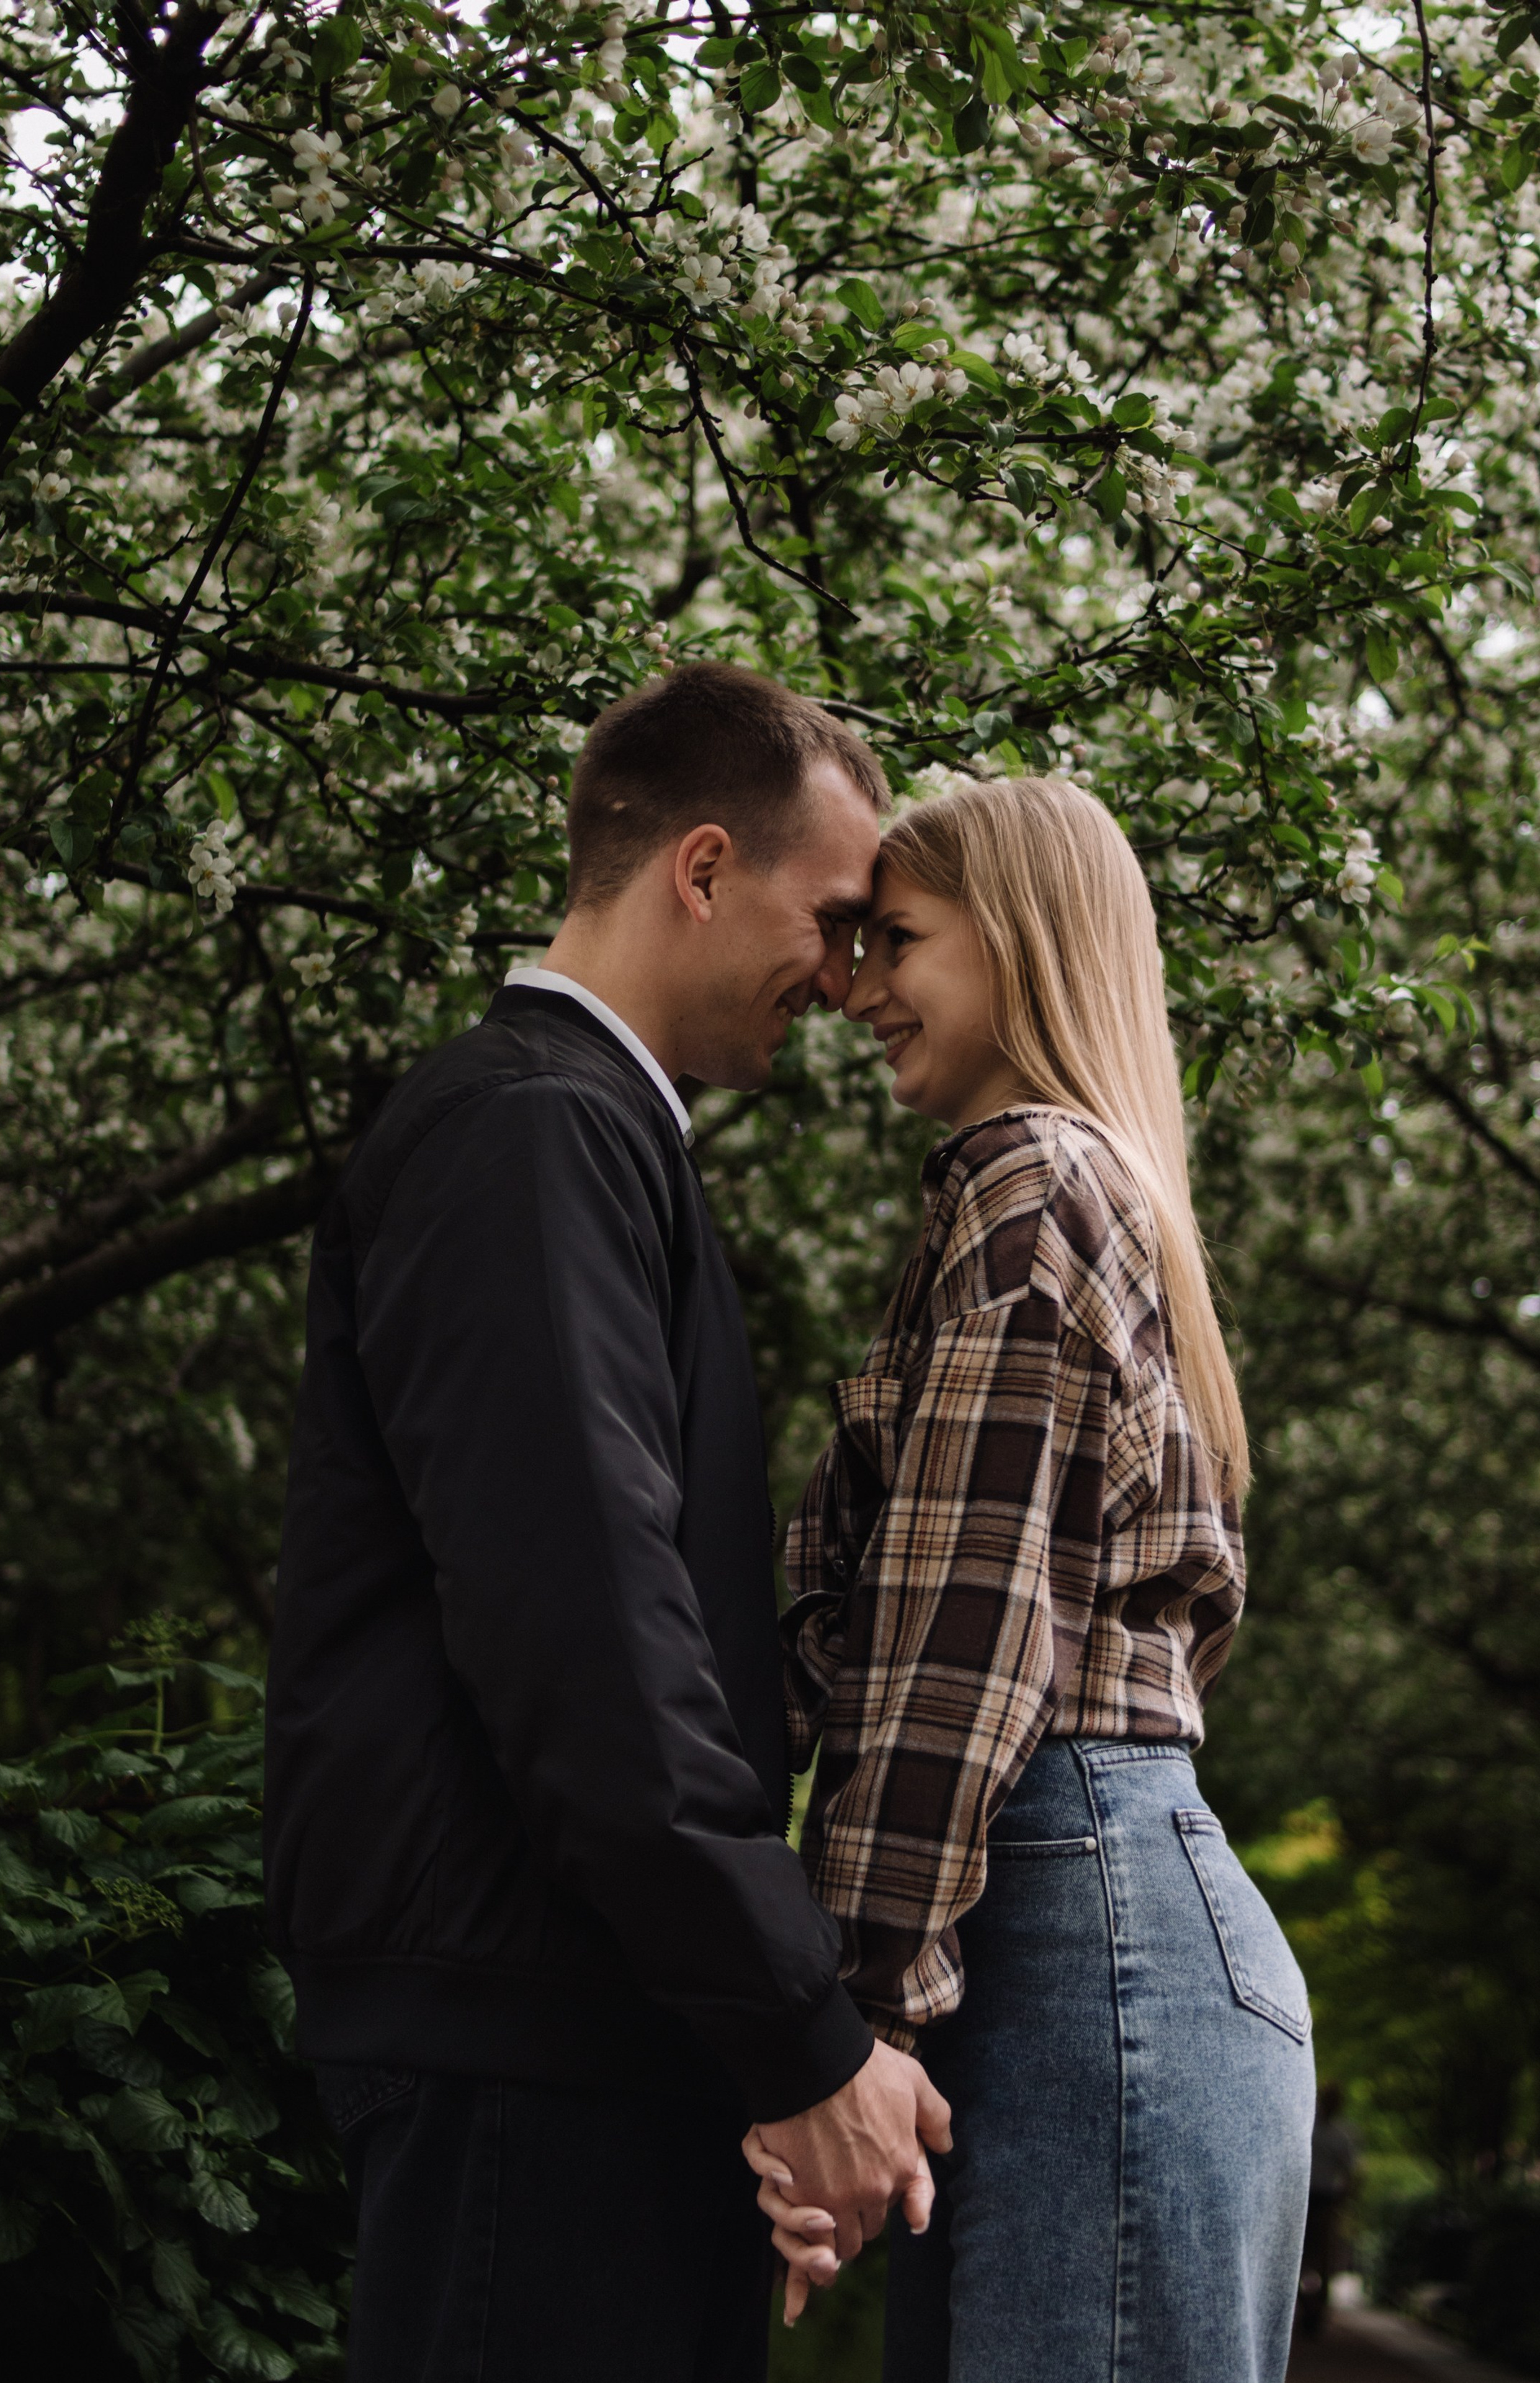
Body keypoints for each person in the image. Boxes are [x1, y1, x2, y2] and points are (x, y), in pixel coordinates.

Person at [262, 662, 950, 2383]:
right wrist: (799, 2041)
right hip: (526, 2046)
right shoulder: (532, 1132)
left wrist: (750, 2053)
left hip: (583, 2030)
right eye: (838, 917)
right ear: (702, 870)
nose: (853, 976)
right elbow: (590, 1636)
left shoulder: (589, 1137)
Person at [748, 774, 1315, 2382]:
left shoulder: (1033, 1184)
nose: (854, 990)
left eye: (897, 941)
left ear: (1026, 943)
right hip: (1093, 1934)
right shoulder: (1079, 1190)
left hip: (1086, 1949)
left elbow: (960, 1647)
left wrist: (859, 2029)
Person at [1299, 2081, 1361, 2334]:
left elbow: (1351, 2172)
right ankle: (1305, 2307)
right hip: (1303, 2199)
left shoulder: (1342, 2135)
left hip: (1326, 2200)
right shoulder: (1307, 2127)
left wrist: (1343, 2200)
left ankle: (1318, 2311)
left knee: (1324, 2258)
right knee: (1300, 2256)